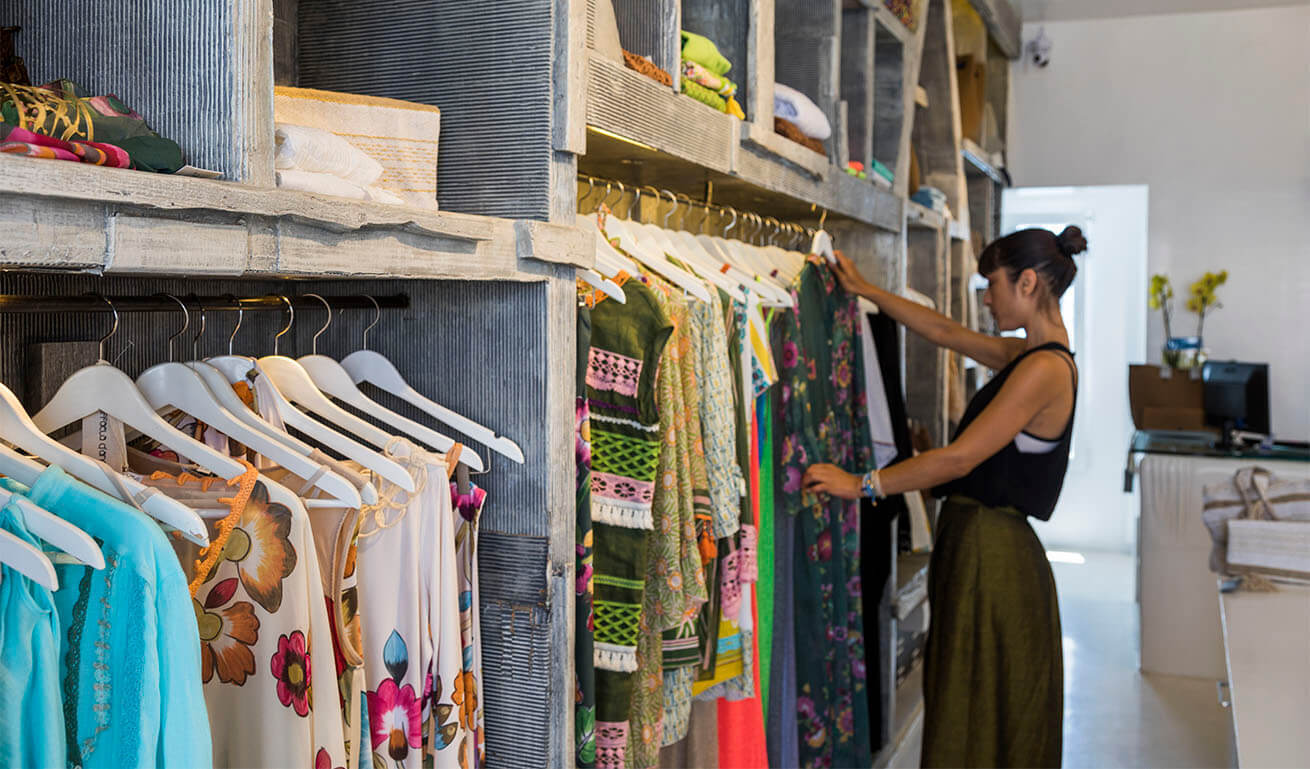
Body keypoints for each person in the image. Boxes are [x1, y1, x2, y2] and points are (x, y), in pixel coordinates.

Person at [803, 226, 1088, 768]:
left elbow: (959, 458)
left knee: (974, 701)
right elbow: (945, 332)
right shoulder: (1033, 356)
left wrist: (858, 484)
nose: (986, 297)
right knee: (970, 697)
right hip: (984, 547)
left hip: (994, 553)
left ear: (1027, 283)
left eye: (992, 284)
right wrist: (868, 291)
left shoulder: (1045, 370)